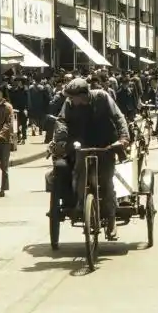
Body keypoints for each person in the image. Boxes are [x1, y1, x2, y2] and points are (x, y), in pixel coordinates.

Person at [51, 78, 129, 241]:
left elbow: (118, 117)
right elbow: (61, 121)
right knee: (79, 173)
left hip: (106, 144)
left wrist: (123, 138)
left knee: (107, 181)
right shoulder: (69, 104)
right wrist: (61, 140)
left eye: (73, 97)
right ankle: (81, 203)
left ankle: (111, 220)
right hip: (82, 145)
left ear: (84, 94)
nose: (71, 100)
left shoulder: (102, 97)